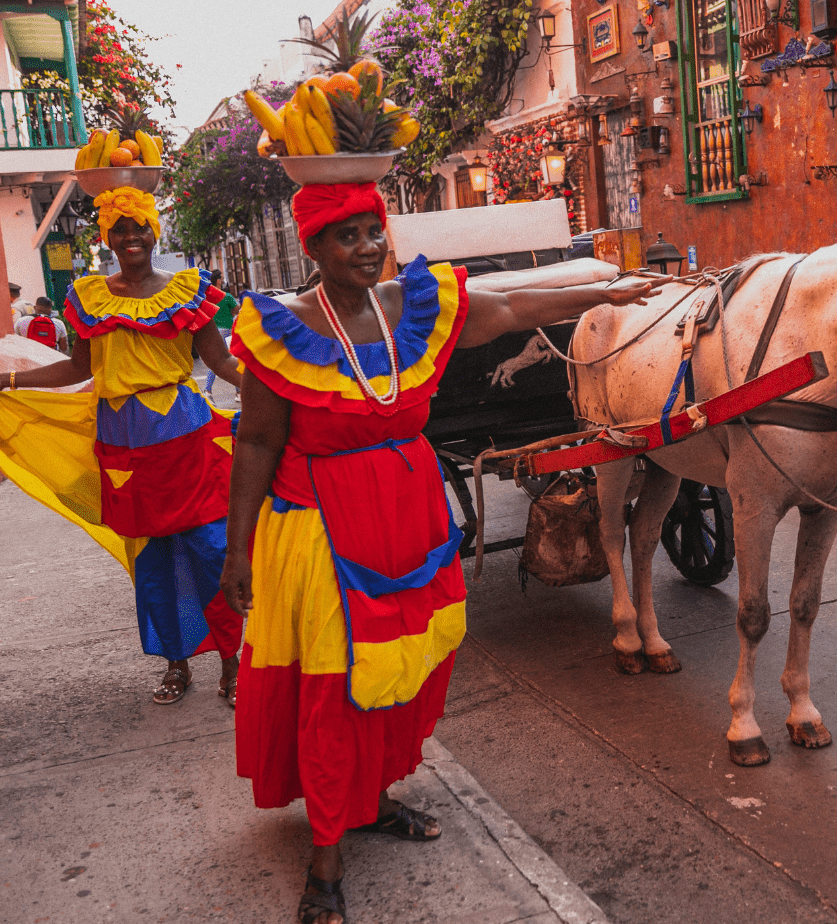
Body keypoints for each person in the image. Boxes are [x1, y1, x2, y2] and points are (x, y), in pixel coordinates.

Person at [218, 180, 661, 924]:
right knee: (336, 692)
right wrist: (237, 551)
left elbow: (516, 308)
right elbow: (257, 441)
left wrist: (611, 293)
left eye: (372, 230)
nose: (365, 247)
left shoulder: (409, 308)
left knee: (404, 670)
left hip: (407, 517)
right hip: (321, 530)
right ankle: (324, 860)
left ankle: (373, 800)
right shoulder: (281, 328)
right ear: (313, 246)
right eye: (346, 235)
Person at [0, 185, 248, 707]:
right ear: (107, 237)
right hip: (121, 444)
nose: (130, 236)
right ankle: (175, 664)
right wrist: (10, 381)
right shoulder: (88, 296)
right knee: (153, 564)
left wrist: (273, 385)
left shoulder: (187, 291)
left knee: (211, 553)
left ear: (153, 231)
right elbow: (78, 369)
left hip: (184, 439)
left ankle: (234, 663)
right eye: (119, 228)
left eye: (139, 226)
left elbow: (222, 363)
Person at [203, 269, 238, 395]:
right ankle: (239, 392)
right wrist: (231, 312)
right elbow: (236, 309)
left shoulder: (207, 297)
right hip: (226, 331)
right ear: (218, 280)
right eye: (221, 278)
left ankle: (207, 389)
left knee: (216, 360)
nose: (222, 280)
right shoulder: (226, 296)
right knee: (232, 358)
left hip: (213, 330)